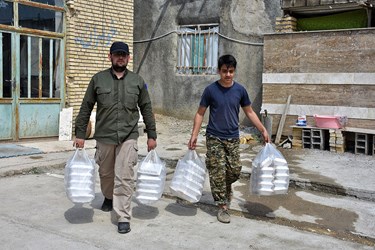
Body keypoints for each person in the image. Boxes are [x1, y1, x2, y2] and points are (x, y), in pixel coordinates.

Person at [74, 41, 157, 234]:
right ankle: (108, 197)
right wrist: (80, 134)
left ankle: (123, 216)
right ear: (110, 56)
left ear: (128, 58)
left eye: (124, 54)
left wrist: (151, 135)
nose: (120, 57)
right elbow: (86, 106)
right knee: (106, 174)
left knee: (125, 176)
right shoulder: (98, 80)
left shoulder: (137, 81)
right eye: (117, 54)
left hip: (128, 136)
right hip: (104, 135)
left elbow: (147, 108)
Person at [188, 54, 270, 224]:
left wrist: (262, 130)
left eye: (231, 71)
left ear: (234, 71)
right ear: (219, 71)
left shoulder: (240, 90)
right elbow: (200, 113)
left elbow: (249, 112)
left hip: (233, 137)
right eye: (225, 71)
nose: (228, 75)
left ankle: (226, 190)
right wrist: (194, 135)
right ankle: (222, 206)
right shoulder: (211, 90)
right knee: (218, 170)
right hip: (214, 137)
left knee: (234, 170)